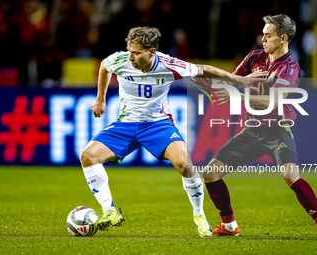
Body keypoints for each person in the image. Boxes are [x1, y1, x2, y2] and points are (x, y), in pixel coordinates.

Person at [79, 26, 265, 237]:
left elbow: (202, 69)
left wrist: (238, 80)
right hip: (126, 124)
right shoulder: (120, 60)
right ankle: (110, 211)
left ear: (151, 52)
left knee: (185, 164)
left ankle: (199, 216)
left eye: (136, 52)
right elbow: (104, 66)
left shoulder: (169, 65)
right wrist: (100, 99)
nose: (130, 57)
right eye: (129, 50)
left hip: (158, 125)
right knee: (88, 156)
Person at [203, 14, 317, 238]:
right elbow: (233, 80)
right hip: (251, 130)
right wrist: (209, 80)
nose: (262, 39)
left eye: (268, 35)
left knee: (290, 176)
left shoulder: (291, 68)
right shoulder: (254, 58)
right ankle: (229, 225)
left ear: (283, 38)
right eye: (263, 34)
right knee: (210, 173)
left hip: (278, 130)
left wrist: (239, 97)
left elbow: (273, 102)